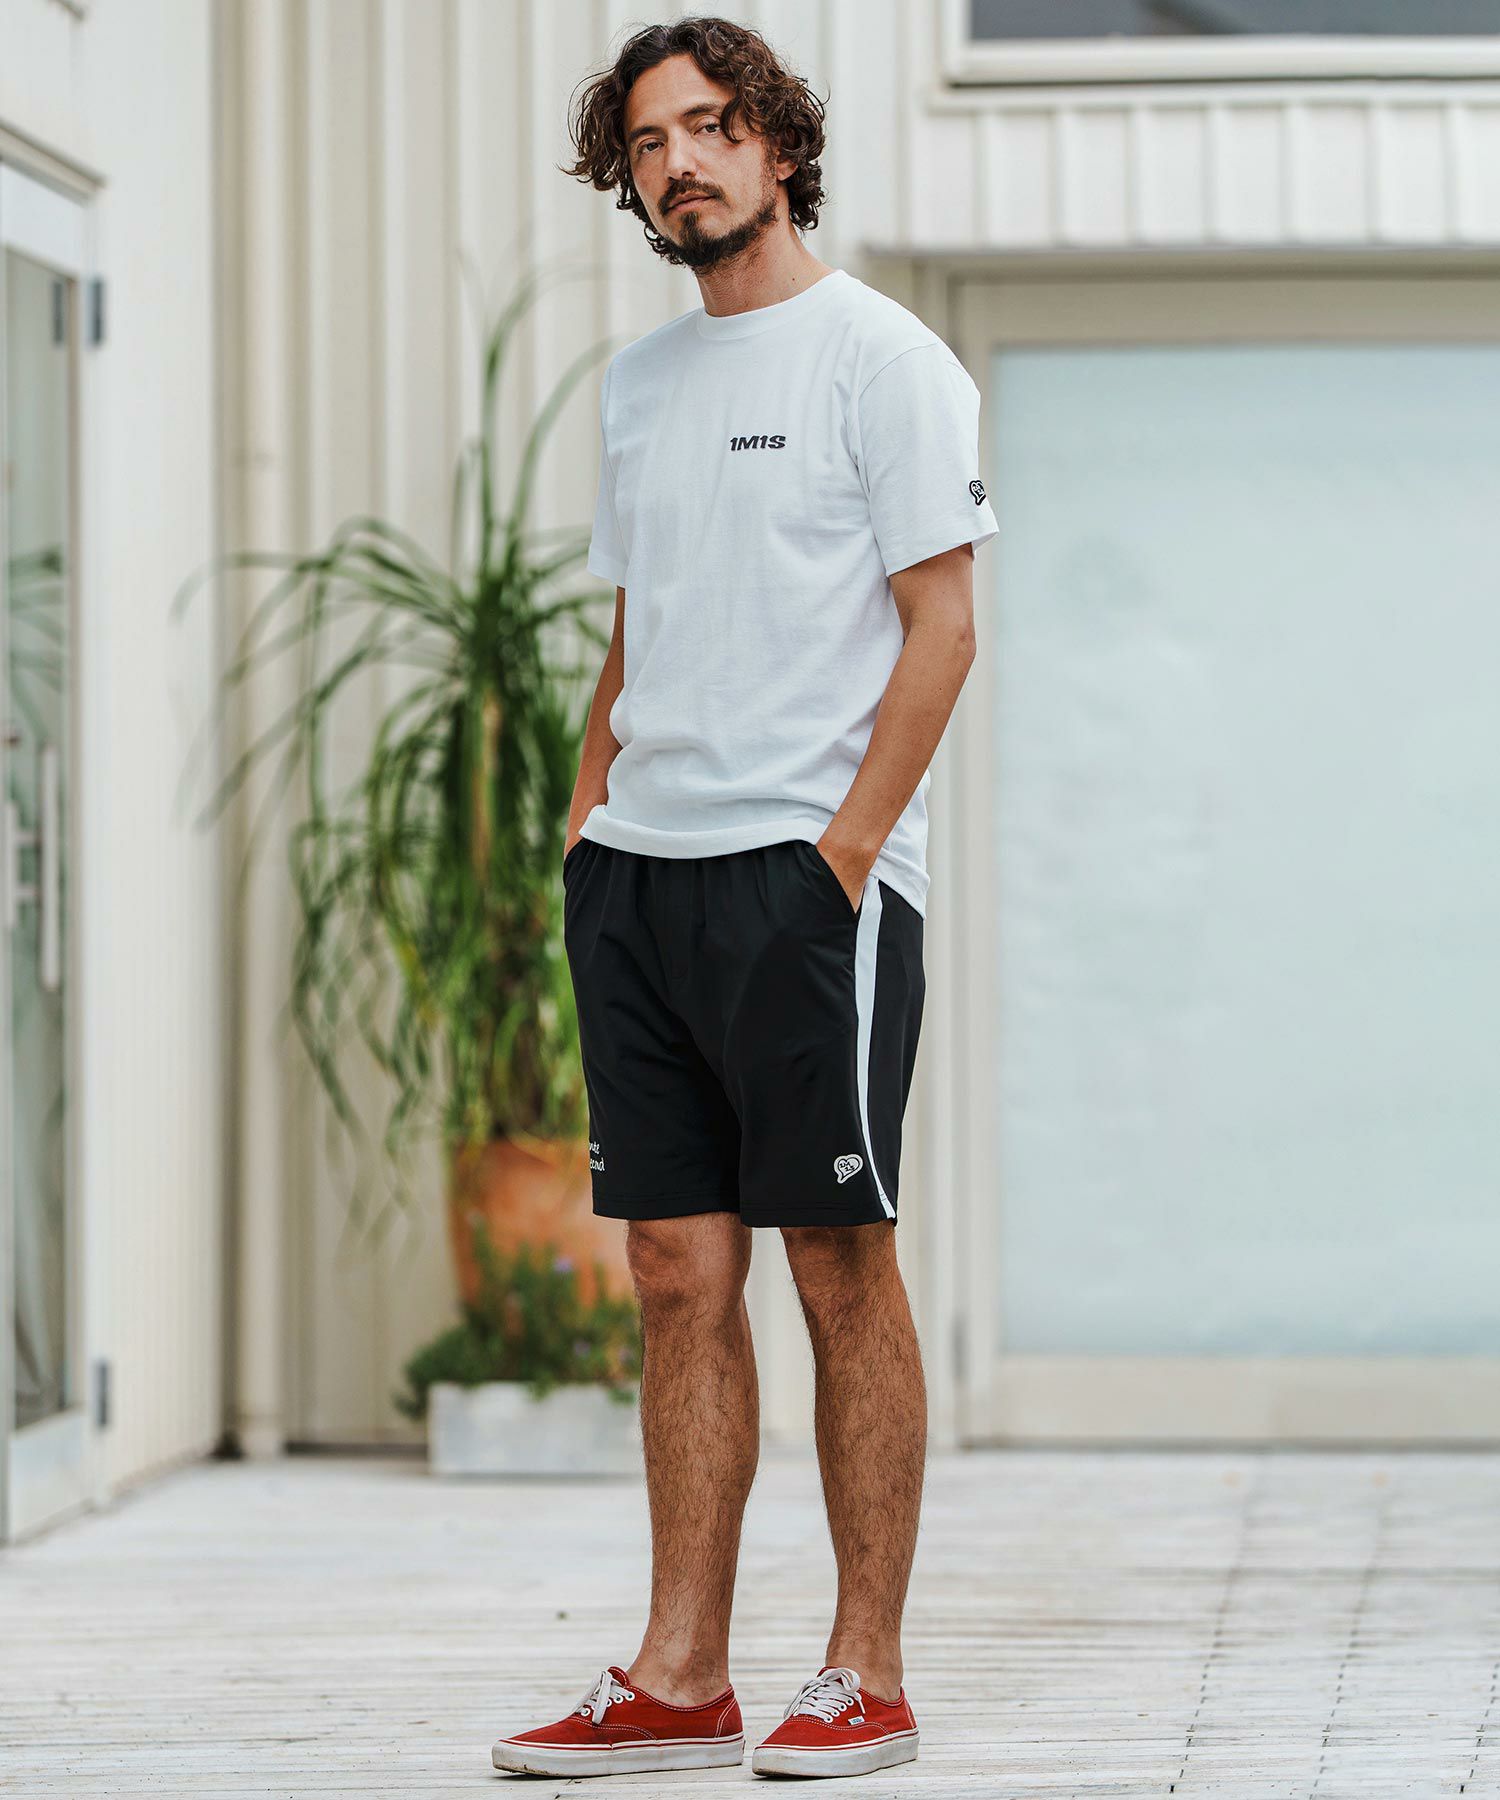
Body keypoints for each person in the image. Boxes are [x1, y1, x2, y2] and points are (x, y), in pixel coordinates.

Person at [492, 16, 998, 1781]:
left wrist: (841, 860)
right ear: (627, 181)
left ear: (779, 147)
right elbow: (636, 631)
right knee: (672, 1272)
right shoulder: (641, 387)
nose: (681, 163)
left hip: (804, 882)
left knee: (837, 1262)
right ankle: (680, 1675)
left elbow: (945, 629)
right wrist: (587, 821)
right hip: (640, 882)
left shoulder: (886, 361)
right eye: (648, 143)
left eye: (712, 128)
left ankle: (866, 1672)